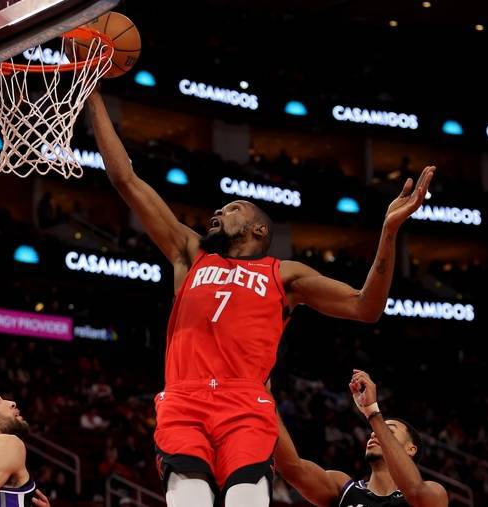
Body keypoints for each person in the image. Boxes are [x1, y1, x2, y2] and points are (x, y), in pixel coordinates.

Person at [88, 90, 435, 507]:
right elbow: (126, 179)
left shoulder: (284, 274)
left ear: (259, 230)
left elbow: (366, 306)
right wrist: (93, 95)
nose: (218, 213)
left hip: (245, 402)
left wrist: (389, 232)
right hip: (184, 396)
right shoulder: (189, 253)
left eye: (233, 208)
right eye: (219, 209)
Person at [273, 370, 448, 507]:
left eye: (389, 431)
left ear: (410, 449)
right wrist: (264, 399)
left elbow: (415, 491)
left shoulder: (434, 492)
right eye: (375, 431)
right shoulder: (343, 488)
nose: (374, 433)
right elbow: (291, 467)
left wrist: (373, 413)